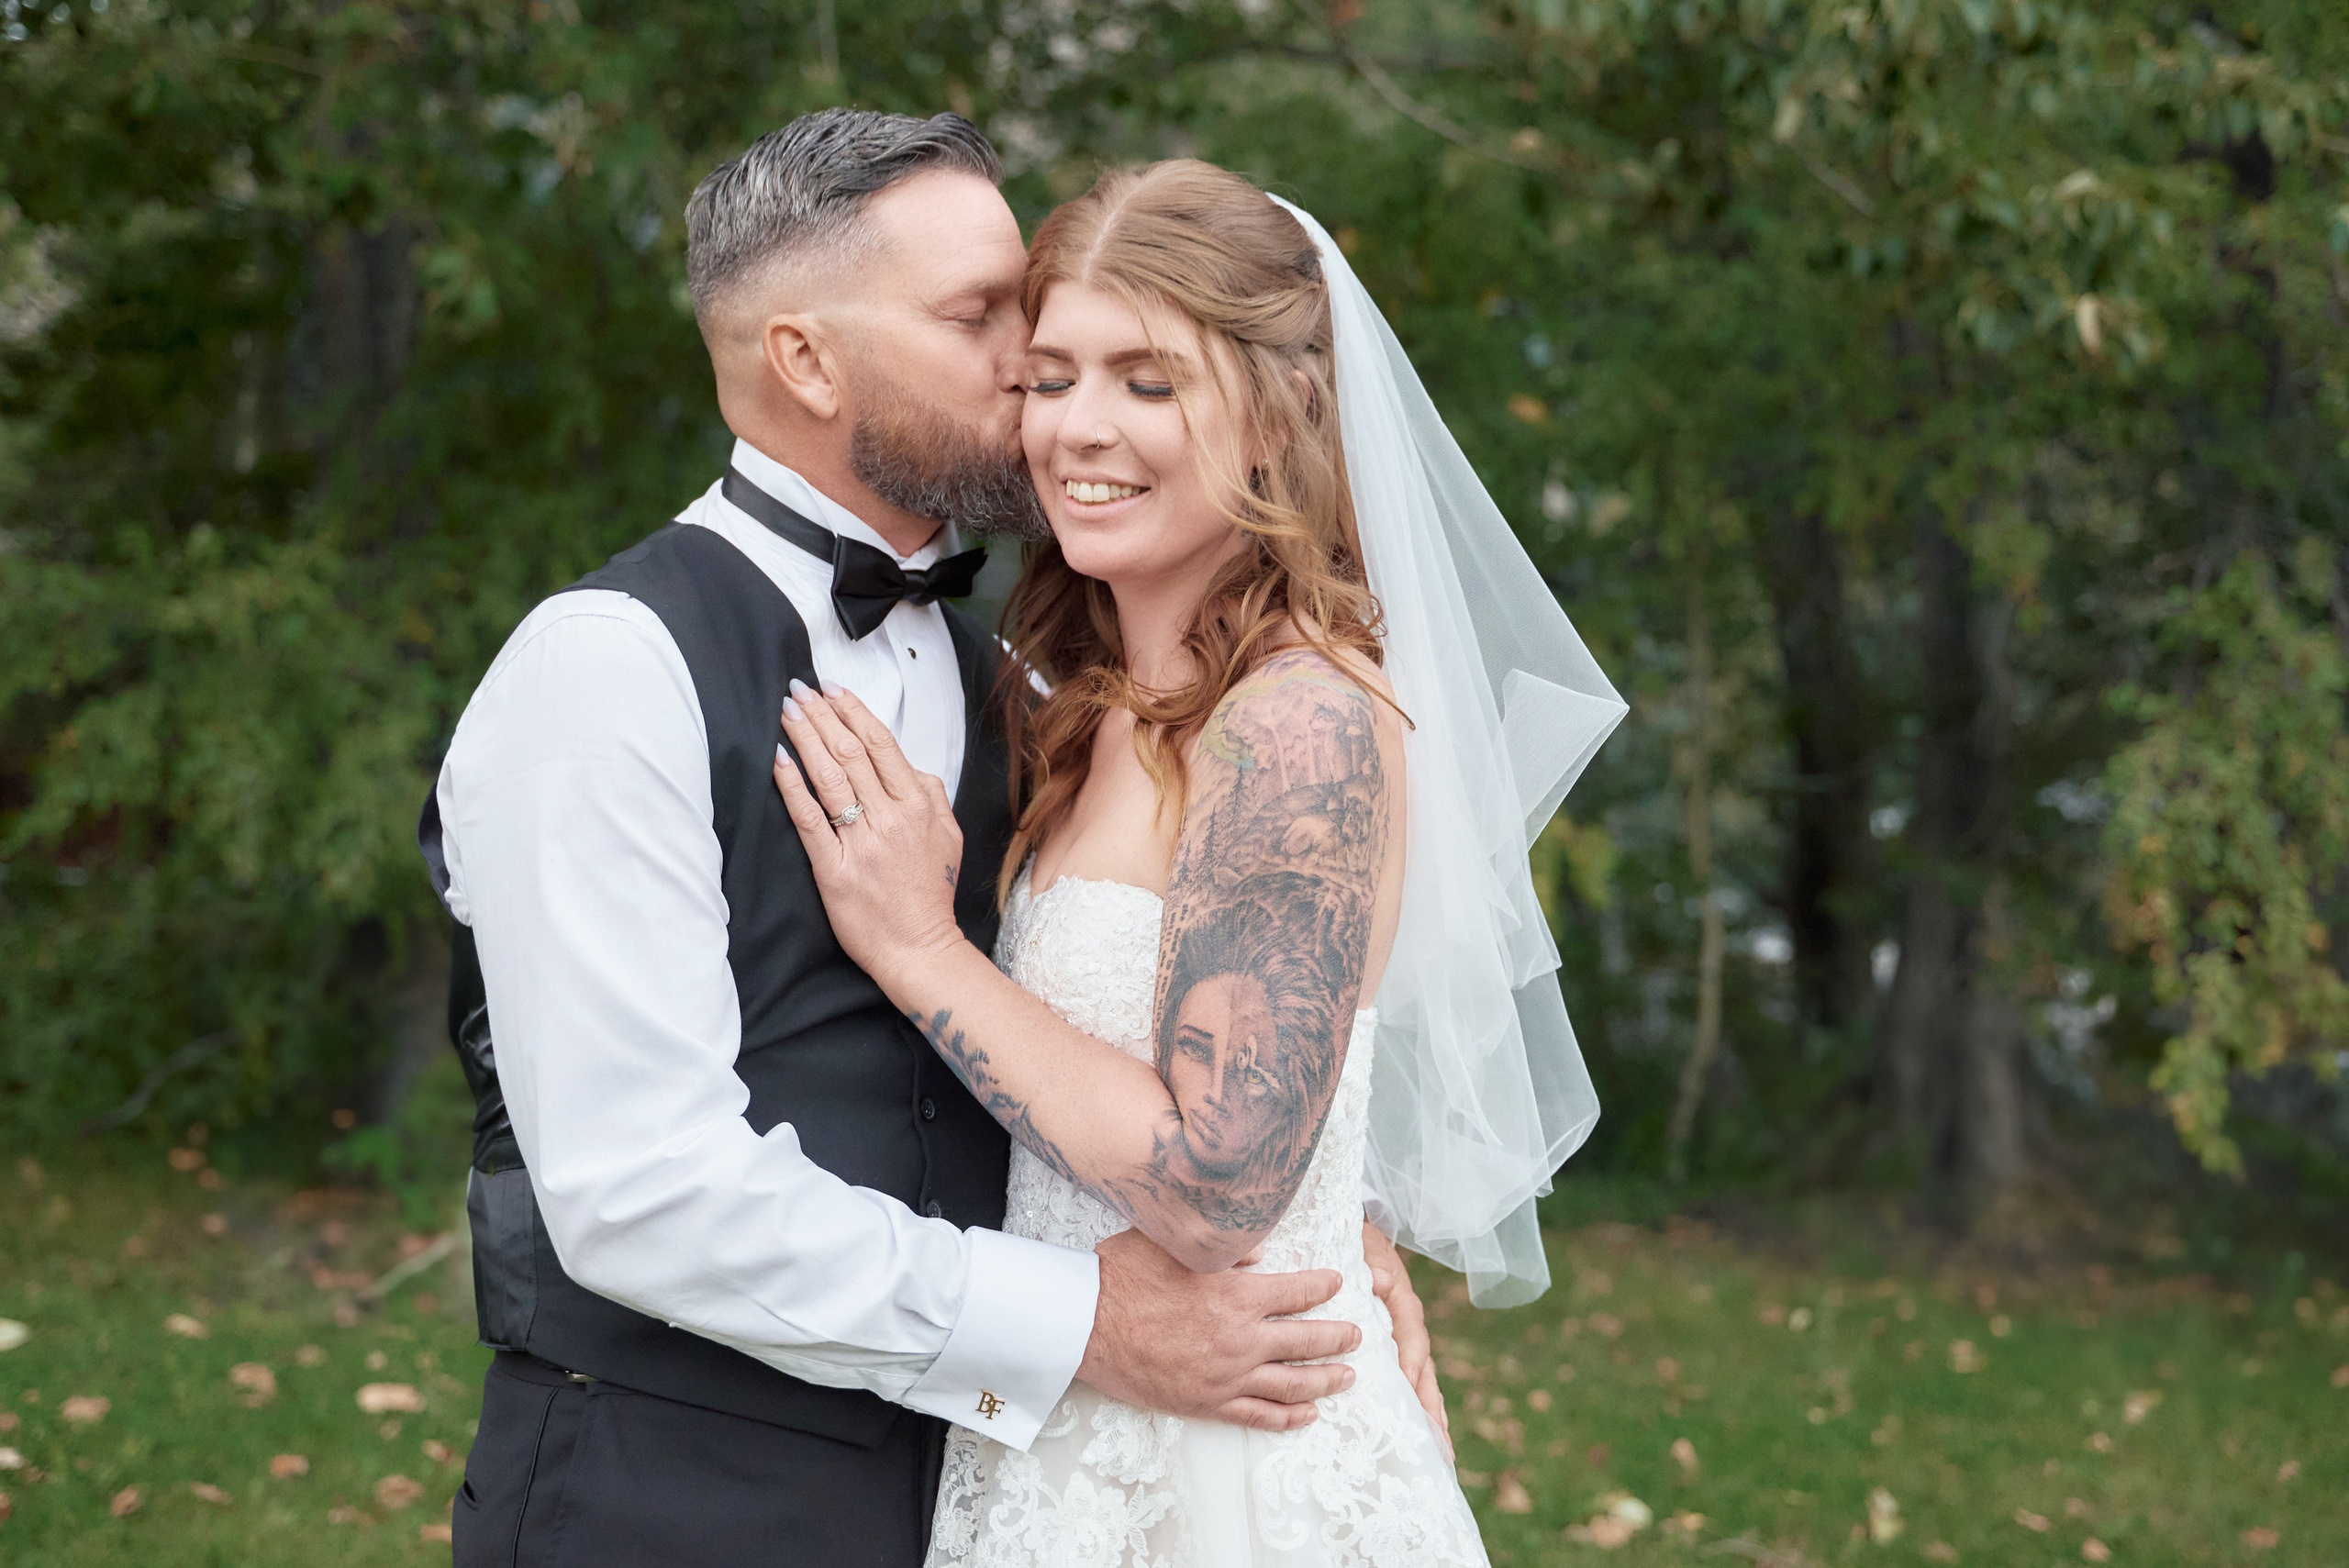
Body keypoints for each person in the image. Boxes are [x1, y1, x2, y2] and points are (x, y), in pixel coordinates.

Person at [418, 115, 1438, 1568]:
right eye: (987, 320)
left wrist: (1338, 1212)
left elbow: (1205, 989)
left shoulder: (1026, 689)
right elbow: (642, 1193)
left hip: (1009, 1483)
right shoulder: (605, 671)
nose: (1035, 364)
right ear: (808, 360)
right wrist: (1085, 1322)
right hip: (680, 1502)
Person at [774, 160, 1627, 1564]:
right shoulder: (1084, 701)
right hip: (1066, 1422)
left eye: (1148, 381)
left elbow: (1219, 1184)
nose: (1079, 429)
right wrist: (1347, 1204)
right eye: (1050, 377)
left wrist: (920, 950)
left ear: (1285, 404)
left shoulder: (1300, 719)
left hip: (1229, 1470)